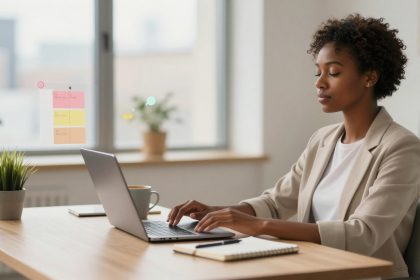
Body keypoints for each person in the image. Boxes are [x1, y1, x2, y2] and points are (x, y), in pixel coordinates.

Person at [167, 14, 420, 278]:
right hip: (311, 267)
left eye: (333, 72)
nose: (319, 82)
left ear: (369, 77)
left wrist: (258, 225)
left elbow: (363, 234)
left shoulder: (401, 148)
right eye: (318, 71)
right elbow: (276, 202)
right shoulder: (322, 140)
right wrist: (217, 211)